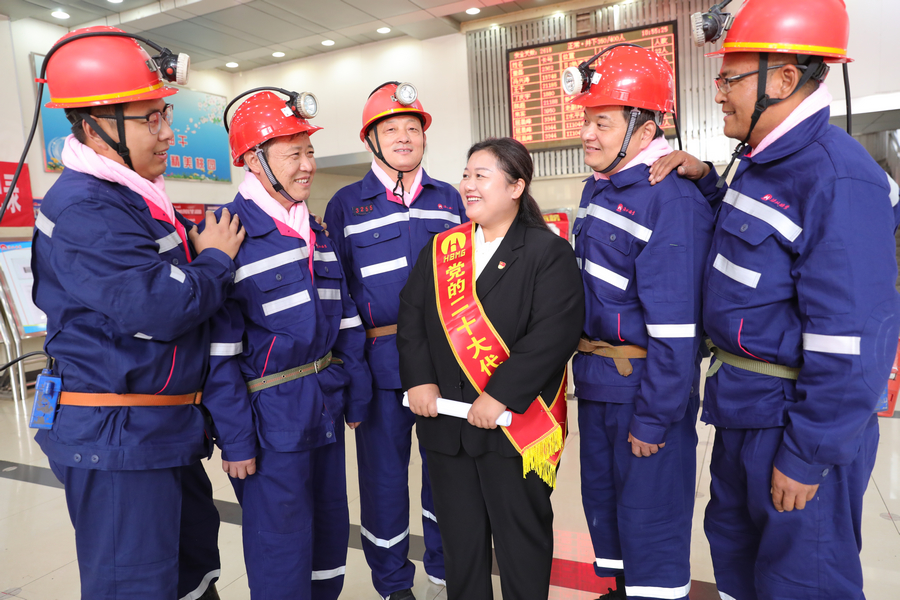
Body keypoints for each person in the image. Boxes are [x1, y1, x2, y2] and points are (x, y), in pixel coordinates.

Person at [648, 1, 900, 598]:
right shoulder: (763, 163)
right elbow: (756, 253)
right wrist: (707, 182)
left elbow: (854, 338)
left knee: (800, 579)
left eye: (729, 80)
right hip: (742, 409)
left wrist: (808, 453)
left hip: (792, 423)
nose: (719, 94)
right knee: (738, 562)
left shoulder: (836, 178)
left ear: (785, 79)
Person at [31, 26, 244, 600]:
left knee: (190, 578)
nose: (167, 132)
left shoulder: (133, 196)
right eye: (150, 118)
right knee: (137, 586)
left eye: (164, 114)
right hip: (118, 440)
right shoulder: (86, 208)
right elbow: (161, 306)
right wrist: (216, 261)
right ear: (94, 125)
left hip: (158, 432)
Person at [199, 89, 372, 600]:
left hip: (324, 406)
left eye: (310, 152)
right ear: (254, 161)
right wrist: (235, 439)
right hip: (268, 422)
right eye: (293, 154)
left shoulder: (314, 231)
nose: (308, 166)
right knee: (281, 547)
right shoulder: (226, 233)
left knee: (329, 535)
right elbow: (217, 353)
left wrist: (356, 394)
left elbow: (346, 320)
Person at [398, 137, 584, 600]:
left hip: (513, 429)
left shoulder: (547, 251)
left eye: (481, 175)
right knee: (461, 550)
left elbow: (552, 337)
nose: (468, 184)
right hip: (446, 427)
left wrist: (499, 394)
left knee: (522, 548)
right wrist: (419, 379)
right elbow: (412, 318)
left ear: (516, 187)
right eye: (466, 175)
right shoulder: (442, 249)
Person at [566, 45, 714, 600]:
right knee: (608, 513)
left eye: (602, 122)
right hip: (599, 387)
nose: (588, 134)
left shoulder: (669, 200)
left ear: (645, 129)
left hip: (644, 394)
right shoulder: (599, 187)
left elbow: (677, 331)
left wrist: (654, 419)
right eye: (586, 120)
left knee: (651, 523)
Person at [324, 81, 463, 599]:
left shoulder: (450, 198)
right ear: (371, 140)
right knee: (383, 481)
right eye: (391, 129)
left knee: (446, 471)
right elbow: (338, 293)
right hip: (379, 365)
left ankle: (445, 565)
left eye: (413, 128)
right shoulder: (345, 205)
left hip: (446, 362)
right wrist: (351, 374)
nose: (404, 137)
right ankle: (392, 580)